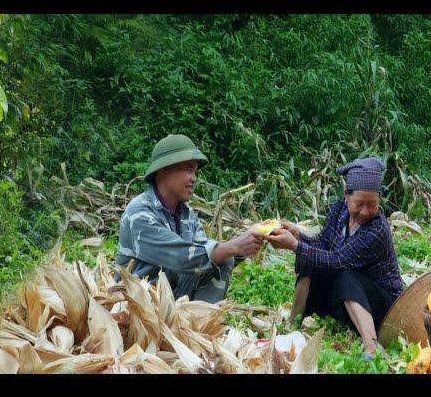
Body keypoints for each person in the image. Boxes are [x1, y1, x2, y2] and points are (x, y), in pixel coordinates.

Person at [259, 157, 404, 360]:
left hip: (382, 307)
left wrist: (294, 245)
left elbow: (338, 261)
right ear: (346, 196)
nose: (365, 211)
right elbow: (323, 246)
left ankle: (372, 346)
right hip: (348, 302)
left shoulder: (377, 229)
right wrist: (299, 236)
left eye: (372, 205)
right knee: (309, 261)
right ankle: (292, 325)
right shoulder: (338, 211)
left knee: (345, 275)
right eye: (359, 204)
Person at [115, 134, 263, 302]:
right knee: (221, 255)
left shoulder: (187, 214)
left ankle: (200, 324)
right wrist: (235, 245)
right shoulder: (139, 212)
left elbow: (206, 257)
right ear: (165, 170)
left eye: (194, 171)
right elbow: (182, 258)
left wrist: (247, 242)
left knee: (222, 261)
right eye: (188, 169)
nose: (194, 179)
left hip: (171, 300)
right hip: (138, 305)